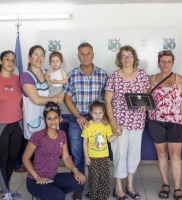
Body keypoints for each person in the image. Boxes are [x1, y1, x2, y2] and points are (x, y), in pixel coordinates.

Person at [63, 42, 108, 200]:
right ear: (78, 56)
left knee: (96, 154)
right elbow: (66, 98)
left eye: (88, 53)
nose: (85, 57)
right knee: (78, 155)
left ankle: (96, 186)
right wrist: (77, 116)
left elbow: (108, 99)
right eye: (82, 54)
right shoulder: (72, 75)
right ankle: (78, 186)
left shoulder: (103, 74)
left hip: (97, 121)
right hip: (78, 120)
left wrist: (106, 117)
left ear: (93, 55)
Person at [105, 45, 150, 200]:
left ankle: (130, 185)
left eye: (129, 55)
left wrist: (144, 105)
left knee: (134, 155)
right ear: (119, 59)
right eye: (123, 56)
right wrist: (112, 123)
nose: (126, 58)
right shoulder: (114, 76)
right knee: (119, 154)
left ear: (134, 58)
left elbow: (145, 97)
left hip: (137, 123)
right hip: (119, 123)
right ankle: (118, 187)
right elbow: (107, 101)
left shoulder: (142, 75)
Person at [147, 50, 182, 200]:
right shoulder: (152, 79)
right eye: (163, 61)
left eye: (168, 61)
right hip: (155, 121)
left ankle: (177, 188)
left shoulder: (180, 80)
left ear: (172, 63)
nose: (165, 64)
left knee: (176, 155)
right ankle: (165, 184)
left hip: (176, 122)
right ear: (158, 63)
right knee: (161, 153)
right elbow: (144, 99)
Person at [22, 102, 85, 200]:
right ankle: (43, 194)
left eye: (55, 118)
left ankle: (50, 193)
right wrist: (37, 177)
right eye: (49, 119)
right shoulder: (38, 136)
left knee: (79, 181)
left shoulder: (62, 134)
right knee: (59, 196)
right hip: (35, 181)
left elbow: (66, 157)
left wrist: (76, 171)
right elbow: (25, 159)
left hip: (53, 178)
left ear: (60, 118)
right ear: (45, 120)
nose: (53, 121)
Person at [0, 50, 23, 200]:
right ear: (1, 61)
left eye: (13, 60)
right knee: (2, 158)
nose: (10, 62)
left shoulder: (19, 79)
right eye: (7, 59)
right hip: (0, 124)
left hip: (18, 123)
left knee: (13, 158)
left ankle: (5, 189)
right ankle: (5, 190)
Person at [20, 45, 62, 140]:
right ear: (29, 57)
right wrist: (55, 99)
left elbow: (59, 89)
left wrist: (59, 114)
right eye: (36, 55)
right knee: (37, 152)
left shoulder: (48, 73)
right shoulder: (26, 76)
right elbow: (37, 100)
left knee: (52, 150)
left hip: (51, 122)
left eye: (42, 55)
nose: (39, 58)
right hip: (35, 122)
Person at [82, 101, 117, 200]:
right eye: (95, 113)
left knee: (104, 176)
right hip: (92, 157)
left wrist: (116, 134)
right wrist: (86, 157)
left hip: (104, 156)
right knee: (94, 177)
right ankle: (93, 195)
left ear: (104, 113)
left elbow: (109, 139)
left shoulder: (106, 125)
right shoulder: (87, 125)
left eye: (100, 113)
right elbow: (84, 142)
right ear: (90, 113)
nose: (97, 116)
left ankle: (103, 195)